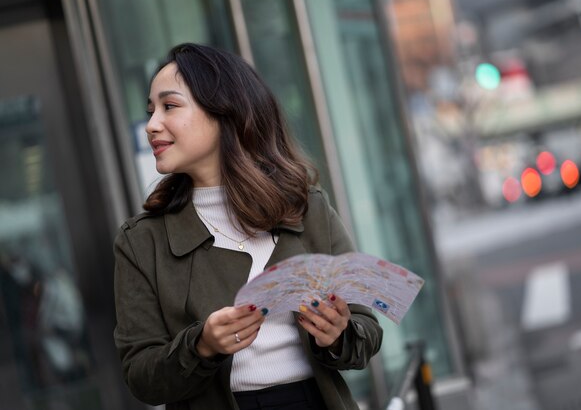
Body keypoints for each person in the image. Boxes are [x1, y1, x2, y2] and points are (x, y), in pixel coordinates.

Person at [113, 43, 383, 410]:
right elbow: (142, 378)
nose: (151, 125)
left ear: (224, 112)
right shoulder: (141, 242)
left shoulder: (306, 206)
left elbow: (367, 330)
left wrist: (337, 334)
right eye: (150, 111)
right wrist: (202, 345)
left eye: (169, 106)